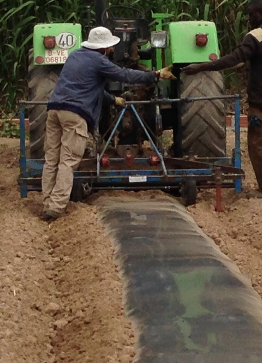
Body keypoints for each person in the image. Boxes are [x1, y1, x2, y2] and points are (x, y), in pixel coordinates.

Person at [41, 26, 176, 221]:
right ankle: (56, 208)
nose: (112, 50)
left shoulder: (75, 56)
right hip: (75, 113)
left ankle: (47, 203)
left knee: (52, 158)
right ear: (103, 48)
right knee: (68, 161)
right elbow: (125, 75)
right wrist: (155, 75)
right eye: (110, 47)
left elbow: (88, 87)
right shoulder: (99, 61)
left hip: (54, 109)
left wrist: (113, 100)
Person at [182, 0, 262, 200]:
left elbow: (235, 58)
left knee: (257, 143)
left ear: (259, 14)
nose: (249, 19)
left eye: (250, 15)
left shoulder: (256, 36)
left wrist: (202, 66)